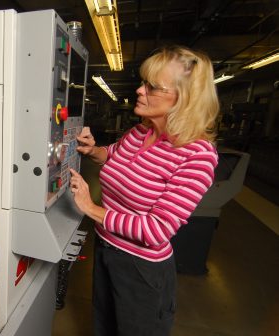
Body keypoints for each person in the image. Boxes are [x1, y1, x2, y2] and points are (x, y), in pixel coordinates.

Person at [69, 45, 219, 336]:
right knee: (103, 326)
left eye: (152, 86)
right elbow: (113, 155)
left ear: (183, 99)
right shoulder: (142, 131)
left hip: (140, 268)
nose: (139, 90)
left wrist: (90, 207)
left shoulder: (197, 155)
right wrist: (93, 150)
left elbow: (156, 229)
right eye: (143, 82)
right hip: (105, 249)